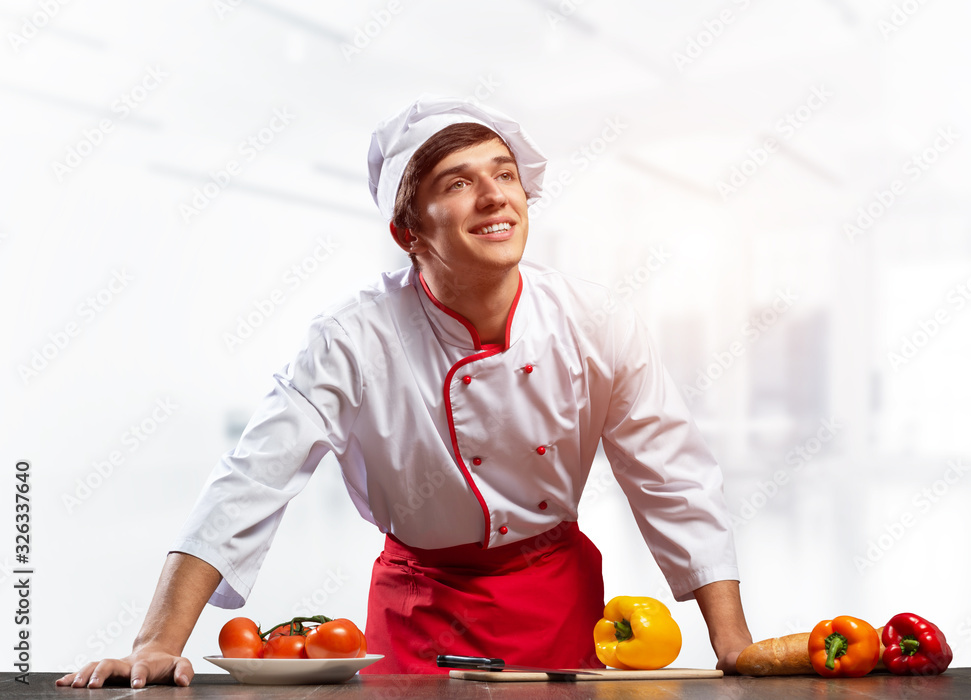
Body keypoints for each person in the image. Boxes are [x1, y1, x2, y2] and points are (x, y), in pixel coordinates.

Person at [57, 95, 752, 689]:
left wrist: (734, 648)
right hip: (420, 612)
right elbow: (251, 481)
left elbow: (671, 476)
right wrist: (158, 643)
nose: (493, 196)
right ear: (407, 231)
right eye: (456, 183)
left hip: (557, 604)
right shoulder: (353, 338)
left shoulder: (594, 321)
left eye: (504, 174)